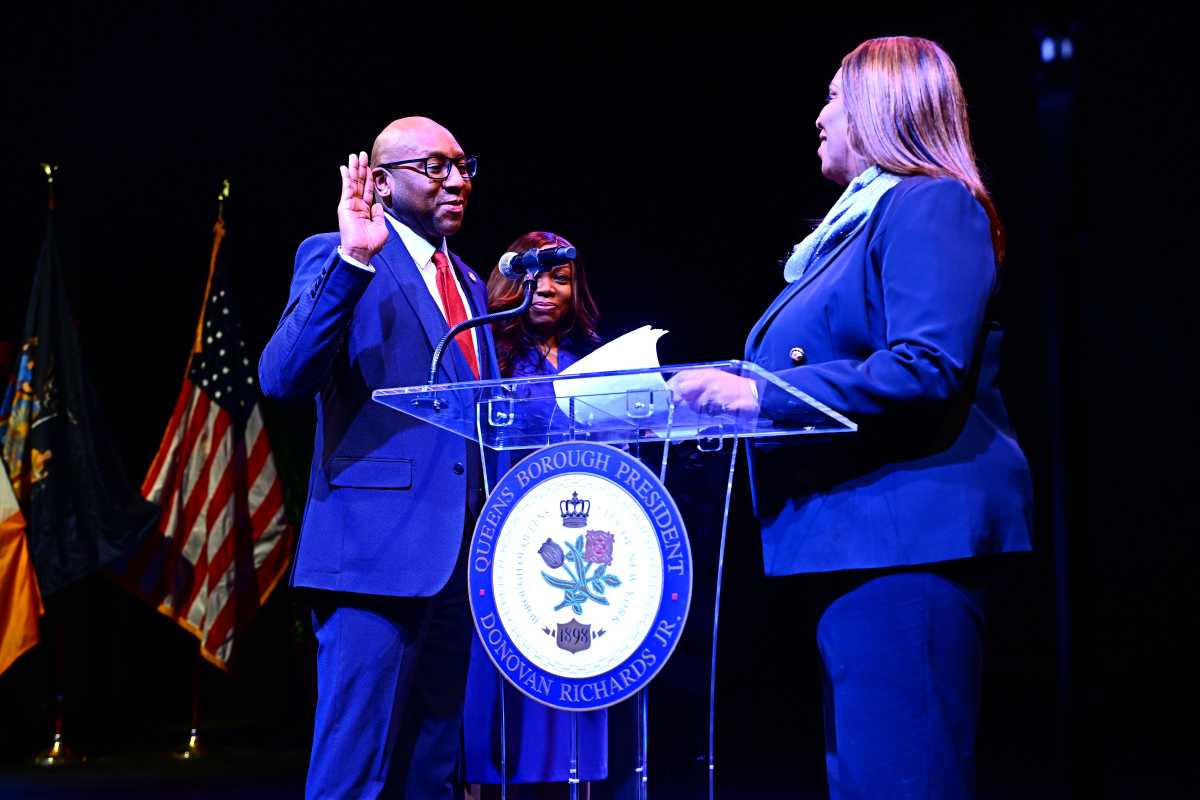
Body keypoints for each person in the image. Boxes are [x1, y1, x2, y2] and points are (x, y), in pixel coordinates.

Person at [669, 37, 1033, 799]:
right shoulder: (855, 224)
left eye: (834, 95)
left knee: (903, 781)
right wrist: (727, 384)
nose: (819, 115)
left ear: (879, 106)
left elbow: (925, 365)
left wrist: (760, 396)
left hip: (906, 543)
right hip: (855, 542)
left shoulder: (930, 200)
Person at [259, 117, 499, 800]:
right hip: (373, 563)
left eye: (463, 164)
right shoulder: (337, 255)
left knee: (431, 772)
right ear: (383, 184)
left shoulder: (473, 287)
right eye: (434, 166)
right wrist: (353, 262)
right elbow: (282, 376)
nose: (457, 180)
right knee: (351, 776)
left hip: (459, 567)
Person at [464, 231, 605, 798]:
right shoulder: (484, 351)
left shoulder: (595, 358)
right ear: (509, 280)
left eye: (561, 278)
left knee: (571, 660)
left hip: (577, 541)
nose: (546, 288)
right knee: (494, 690)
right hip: (502, 540)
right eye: (534, 275)